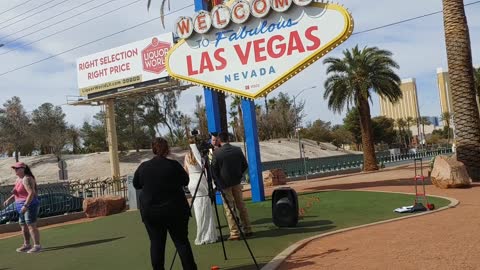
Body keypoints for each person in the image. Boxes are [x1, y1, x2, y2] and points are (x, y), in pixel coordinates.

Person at [133, 137, 197, 270]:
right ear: (167, 149)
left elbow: (136, 184)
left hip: (152, 212)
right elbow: (185, 181)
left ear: (153, 149)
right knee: (182, 243)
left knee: (156, 244)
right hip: (176, 210)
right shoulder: (173, 165)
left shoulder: (144, 167)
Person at [211, 132, 253, 241]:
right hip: (237, 182)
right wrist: (239, 174)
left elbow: (213, 170)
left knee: (229, 208)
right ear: (228, 139)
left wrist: (218, 182)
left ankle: (234, 233)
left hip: (224, 184)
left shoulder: (217, 153)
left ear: (219, 140)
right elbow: (245, 165)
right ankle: (248, 228)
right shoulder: (237, 150)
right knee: (241, 205)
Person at [183, 141, 218, 245]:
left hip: (191, 181)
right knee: (206, 206)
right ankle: (208, 235)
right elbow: (207, 168)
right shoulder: (201, 157)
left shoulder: (186, 156)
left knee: (198, 208)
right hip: (201, 180)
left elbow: (185, 170)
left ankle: (202, 233)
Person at [2, 162, 42, 253]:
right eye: (14, 168)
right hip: (19, 204)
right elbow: (17, 193)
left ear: (23, 169)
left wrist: (26, 205)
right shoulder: (18, 179)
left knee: (31, 225)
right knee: (23, 226)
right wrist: (9, 199)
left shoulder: (27, 178)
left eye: (17, 168)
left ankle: (37, 246)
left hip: (29, 205)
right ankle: (27, 245)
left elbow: (31, 193)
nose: (15, 170)